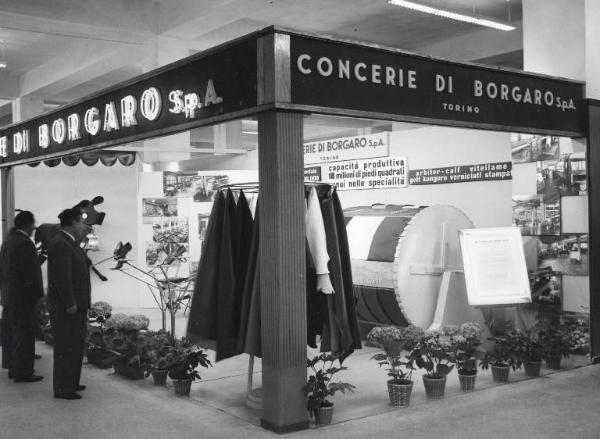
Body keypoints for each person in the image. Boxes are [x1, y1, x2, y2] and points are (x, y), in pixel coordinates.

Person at [47, 207, 91, 400]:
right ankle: (64, 388)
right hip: (68, 307)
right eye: (81, 222)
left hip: (76, 306)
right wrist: (70, 302)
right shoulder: (61, 244)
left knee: (75, 345)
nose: (84, 226)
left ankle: (71, 382)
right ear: (73, 223)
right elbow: (62, 278)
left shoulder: (70, 242)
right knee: (67, 346)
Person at [0, 211, 44, 382]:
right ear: (28, 224)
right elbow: (30, 275)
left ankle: (13, 368)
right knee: (24, 335)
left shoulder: (8, 242)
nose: (34, 227)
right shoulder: (25, 243)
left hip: (10, 295)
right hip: (23, 298)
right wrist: (37, 297)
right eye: (33, 224)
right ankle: (23, 372)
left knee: (13, 334)